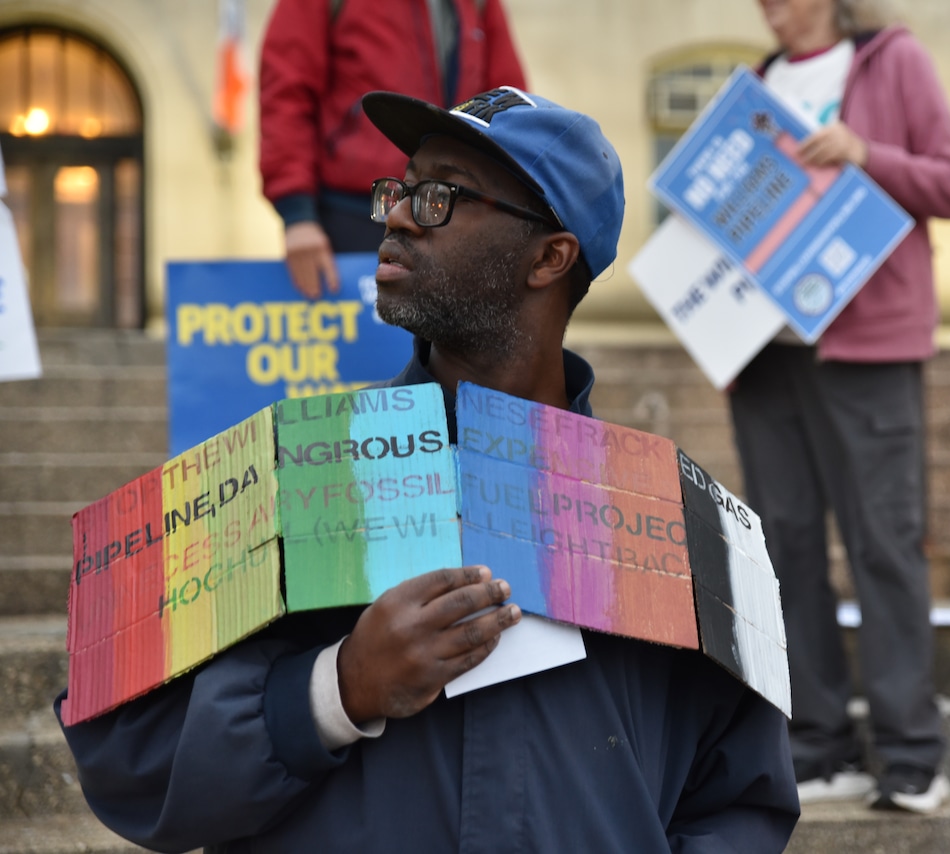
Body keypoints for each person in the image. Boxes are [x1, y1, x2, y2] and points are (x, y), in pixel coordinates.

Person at [55, 86, 800, 852]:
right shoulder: (291, 467)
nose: (401, 214)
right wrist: (336, 690)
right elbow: (126, 756)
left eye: (442, 195)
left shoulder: (672, 518)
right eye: (402, 188)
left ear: (551, 257)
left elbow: (743, 799)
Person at [730, 0, 950, 812]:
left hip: (867, 346)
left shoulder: (893, 62)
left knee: (884, 546)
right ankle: (819, 745)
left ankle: (911, 755)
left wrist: (864, 153)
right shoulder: (755, 86)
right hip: (766, 355)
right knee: (787, 550)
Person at [259, 0, 526, 299]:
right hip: (354, 215)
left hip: (451, 212)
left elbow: (507, 105)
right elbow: (286, 93)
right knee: (367, 341)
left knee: (443, 339)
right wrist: (299, 217)